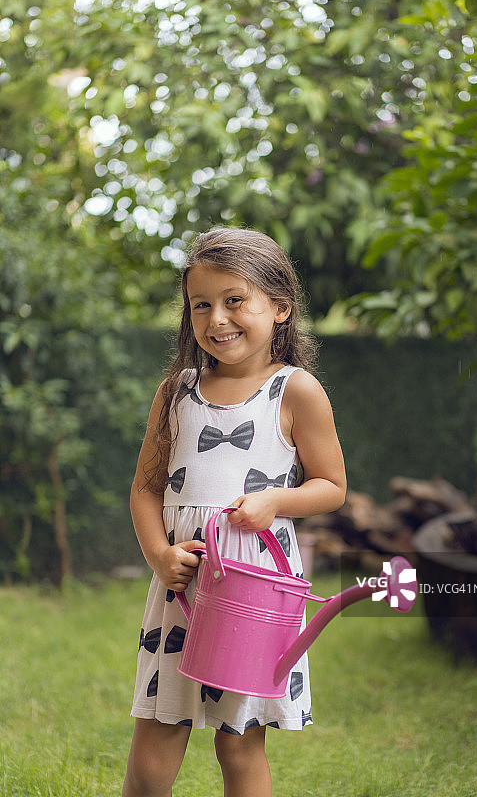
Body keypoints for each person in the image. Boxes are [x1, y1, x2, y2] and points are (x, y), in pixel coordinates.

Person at [122, 227, 347, 797]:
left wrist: (276, 501)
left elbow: (332, 487)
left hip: (255, 589)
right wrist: (158, 554)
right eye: (202, 305)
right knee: (156, 733)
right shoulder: (176, 391)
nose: (217, 318)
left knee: (239, 741)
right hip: (184, 586)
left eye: (235, 300)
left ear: (280, 307)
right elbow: (147, 489)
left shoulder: (295, 390)